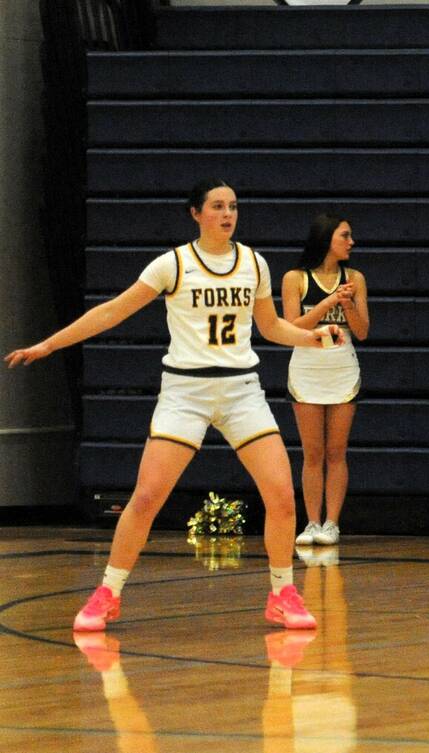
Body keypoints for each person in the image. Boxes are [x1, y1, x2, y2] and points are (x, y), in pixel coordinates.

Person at [7, 178, 336, 632]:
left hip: (241, 390)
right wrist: (48, 345)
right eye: (218, 206)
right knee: (145, 498)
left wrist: (311, 337)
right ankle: (108, 592)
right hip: (185, 392)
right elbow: (111, 311)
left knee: (281, 496)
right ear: (195, 213)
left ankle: (282, 593)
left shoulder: (253, 264)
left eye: (234, 207)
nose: (228, 214)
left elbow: (272, 326)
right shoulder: (173, 264)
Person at [284, 212, 369, 547]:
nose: (351, 242)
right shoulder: (295, 278)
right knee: (312, 453)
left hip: (342, 369)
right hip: (306, 368)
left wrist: (347, 306)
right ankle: (311, 522)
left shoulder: (355, 278)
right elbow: (292, 326)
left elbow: (362, 331)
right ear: (326, 238)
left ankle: (332, 523)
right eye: (345, 236)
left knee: (336, 452)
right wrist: (330, 301)